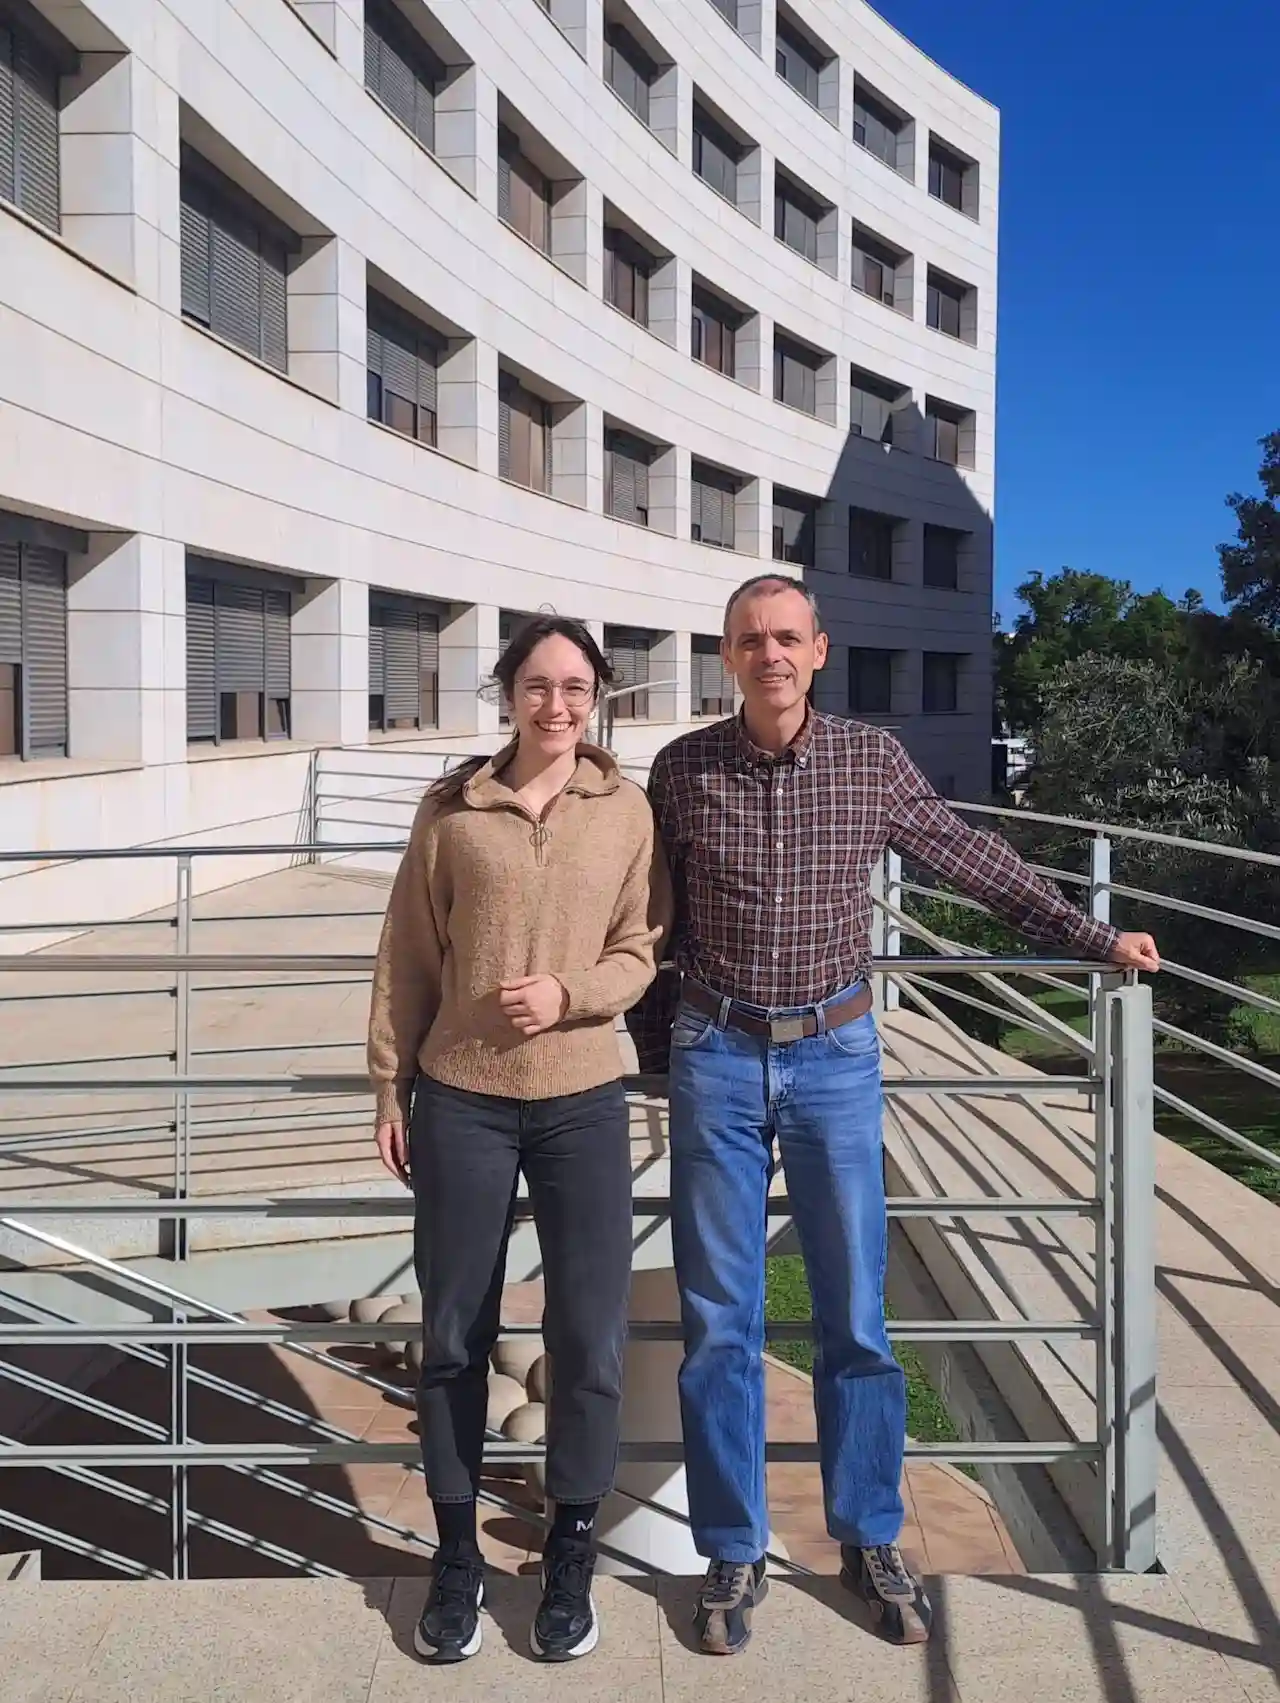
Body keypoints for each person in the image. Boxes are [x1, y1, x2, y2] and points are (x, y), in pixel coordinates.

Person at [627, 574, 1159, 1657]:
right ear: (724, 656)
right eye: (747, 638)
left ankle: (869, 1532)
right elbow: (649, 920)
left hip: (833, 1056)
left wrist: (1090, 939)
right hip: (714, 1057)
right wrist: (649, 1059)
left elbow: (970, 859)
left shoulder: (868, 760)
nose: (767, 652)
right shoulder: (680, 769)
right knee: (717, 1321)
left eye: (785, 635)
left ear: (817, 650)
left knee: (854, 1317)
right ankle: (732, 1546)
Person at [368, 614, 671, 1666]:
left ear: (597, 698)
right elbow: (406, 954)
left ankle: (570, 1546)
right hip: (462, 1097)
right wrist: (389, 1083)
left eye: (576, 686)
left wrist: (570, 992)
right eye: (538, 684)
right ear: (508, 693)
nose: (557, 703)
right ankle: (456, 1556)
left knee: (588, 1335)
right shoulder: (452, 811)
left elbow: (642, 949)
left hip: (585, 1097)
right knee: (454, 1333)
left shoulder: (624, 811)